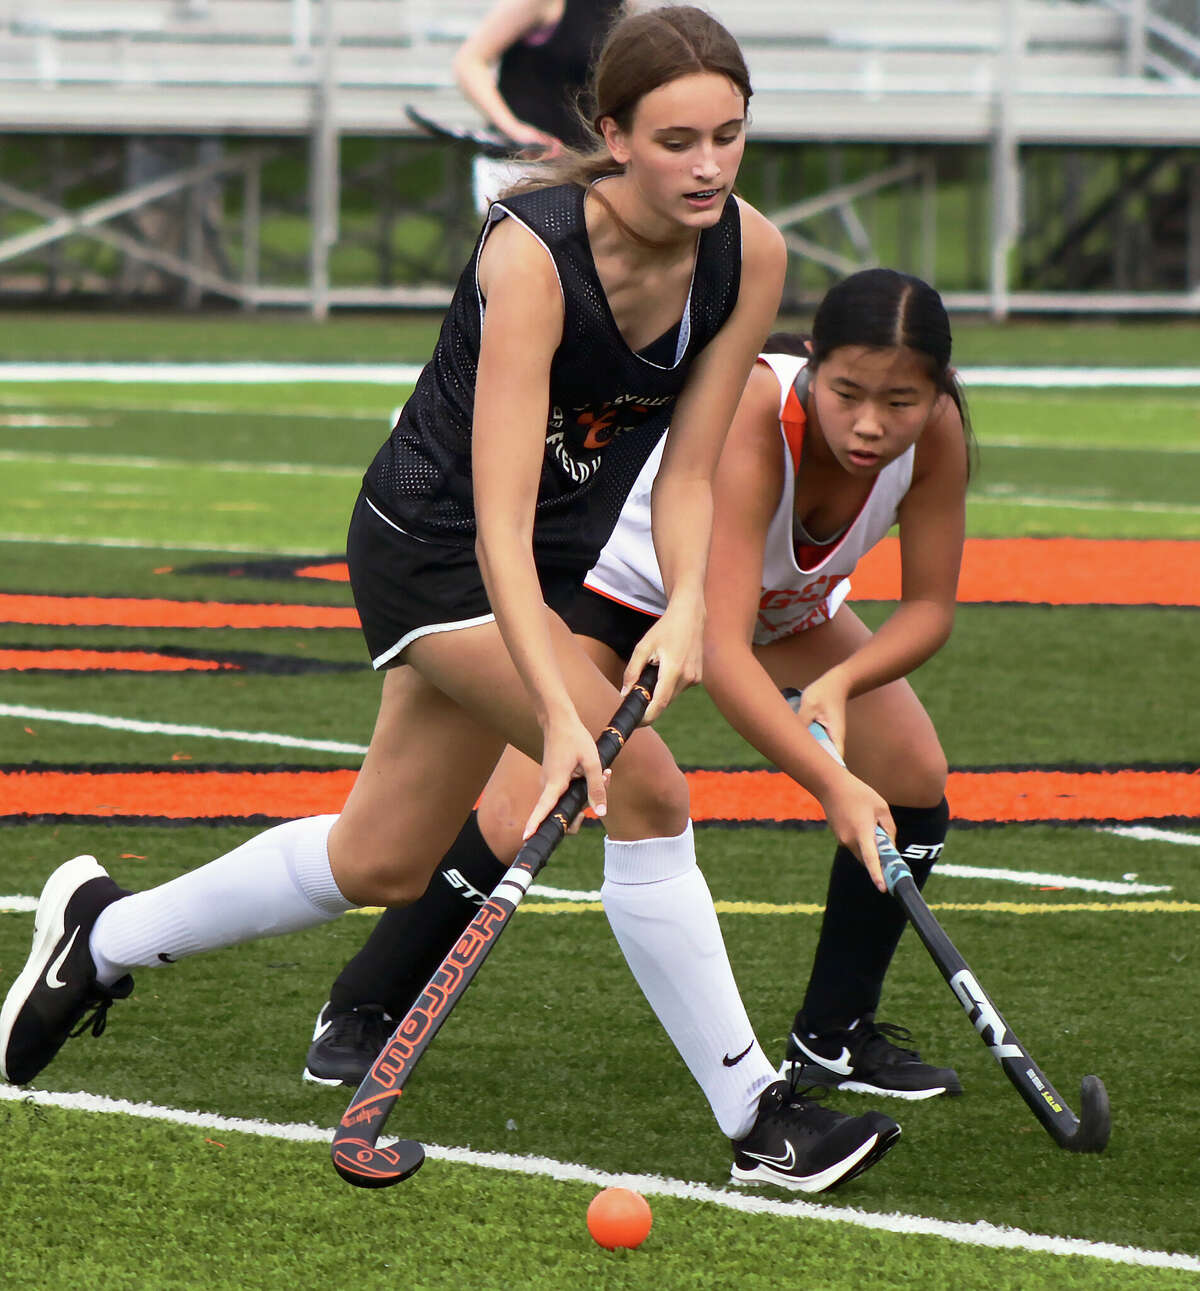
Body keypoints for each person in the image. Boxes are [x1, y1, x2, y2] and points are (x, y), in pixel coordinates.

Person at [0, 7, 902, 1195]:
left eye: (729, 136)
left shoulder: (751, 252)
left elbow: (687, 467)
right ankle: (760, 1119)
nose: (709, 166)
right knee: (641, 781)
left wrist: (689, 603)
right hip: (433, 549)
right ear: (612, 133)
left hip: (559, 546)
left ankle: (98, 937)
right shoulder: (528, 252)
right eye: (678, 140)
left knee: (379, 858)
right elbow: (493, 524)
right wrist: (563, 710)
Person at [305, 267, 973, 1105]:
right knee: (527, 809)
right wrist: (830, 781)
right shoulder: (756, 419)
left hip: (783, 608)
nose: (872, 423)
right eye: (847, 392)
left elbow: (930, 608)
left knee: (913, 774)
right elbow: (721, 650)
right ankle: (363, 1005)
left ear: (936, 390)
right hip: (621, 592)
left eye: (901, 401)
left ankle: (833, 1034)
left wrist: (842, 681)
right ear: (811, 362)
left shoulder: (941, 430)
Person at [453, 0, 627, 214]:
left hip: (585, 170)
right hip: (525, 169)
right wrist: (514, 129)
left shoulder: (621, 5)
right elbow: (470, 62)